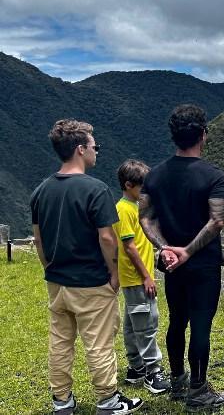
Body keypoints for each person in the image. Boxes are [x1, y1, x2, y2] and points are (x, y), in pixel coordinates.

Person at [30, 119, 143, 414]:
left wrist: (49, 267)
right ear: (81, 149)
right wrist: (114, 274)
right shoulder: (96, 190)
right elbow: (107, 238)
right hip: (92, 281)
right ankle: (108, 400)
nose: (97, 151)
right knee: (99, 344)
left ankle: (62, 401)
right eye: (95, 146)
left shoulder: (41, 191)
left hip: (57, 281)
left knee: (60, 342)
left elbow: (38, 240)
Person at [138, 104, 224, 411]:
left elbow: (146, 219)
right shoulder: (213, 176)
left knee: (177, 320)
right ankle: (198, 390)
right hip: (202, 263)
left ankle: (177, 381)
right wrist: (188, 251)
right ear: (203, 135)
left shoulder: (154, 175)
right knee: (201, 324)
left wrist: (167, 249)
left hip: (171, 264)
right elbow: (216, 221)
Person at [112, 159, 170, 394]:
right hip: (137, 277)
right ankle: (152, 371)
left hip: (131, 278)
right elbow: (129, 247)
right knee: (147, 323)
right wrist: (147, 276)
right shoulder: (124, 209)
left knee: (132, 323)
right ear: (128, 185)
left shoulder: (133, 207)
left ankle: (135, 367)